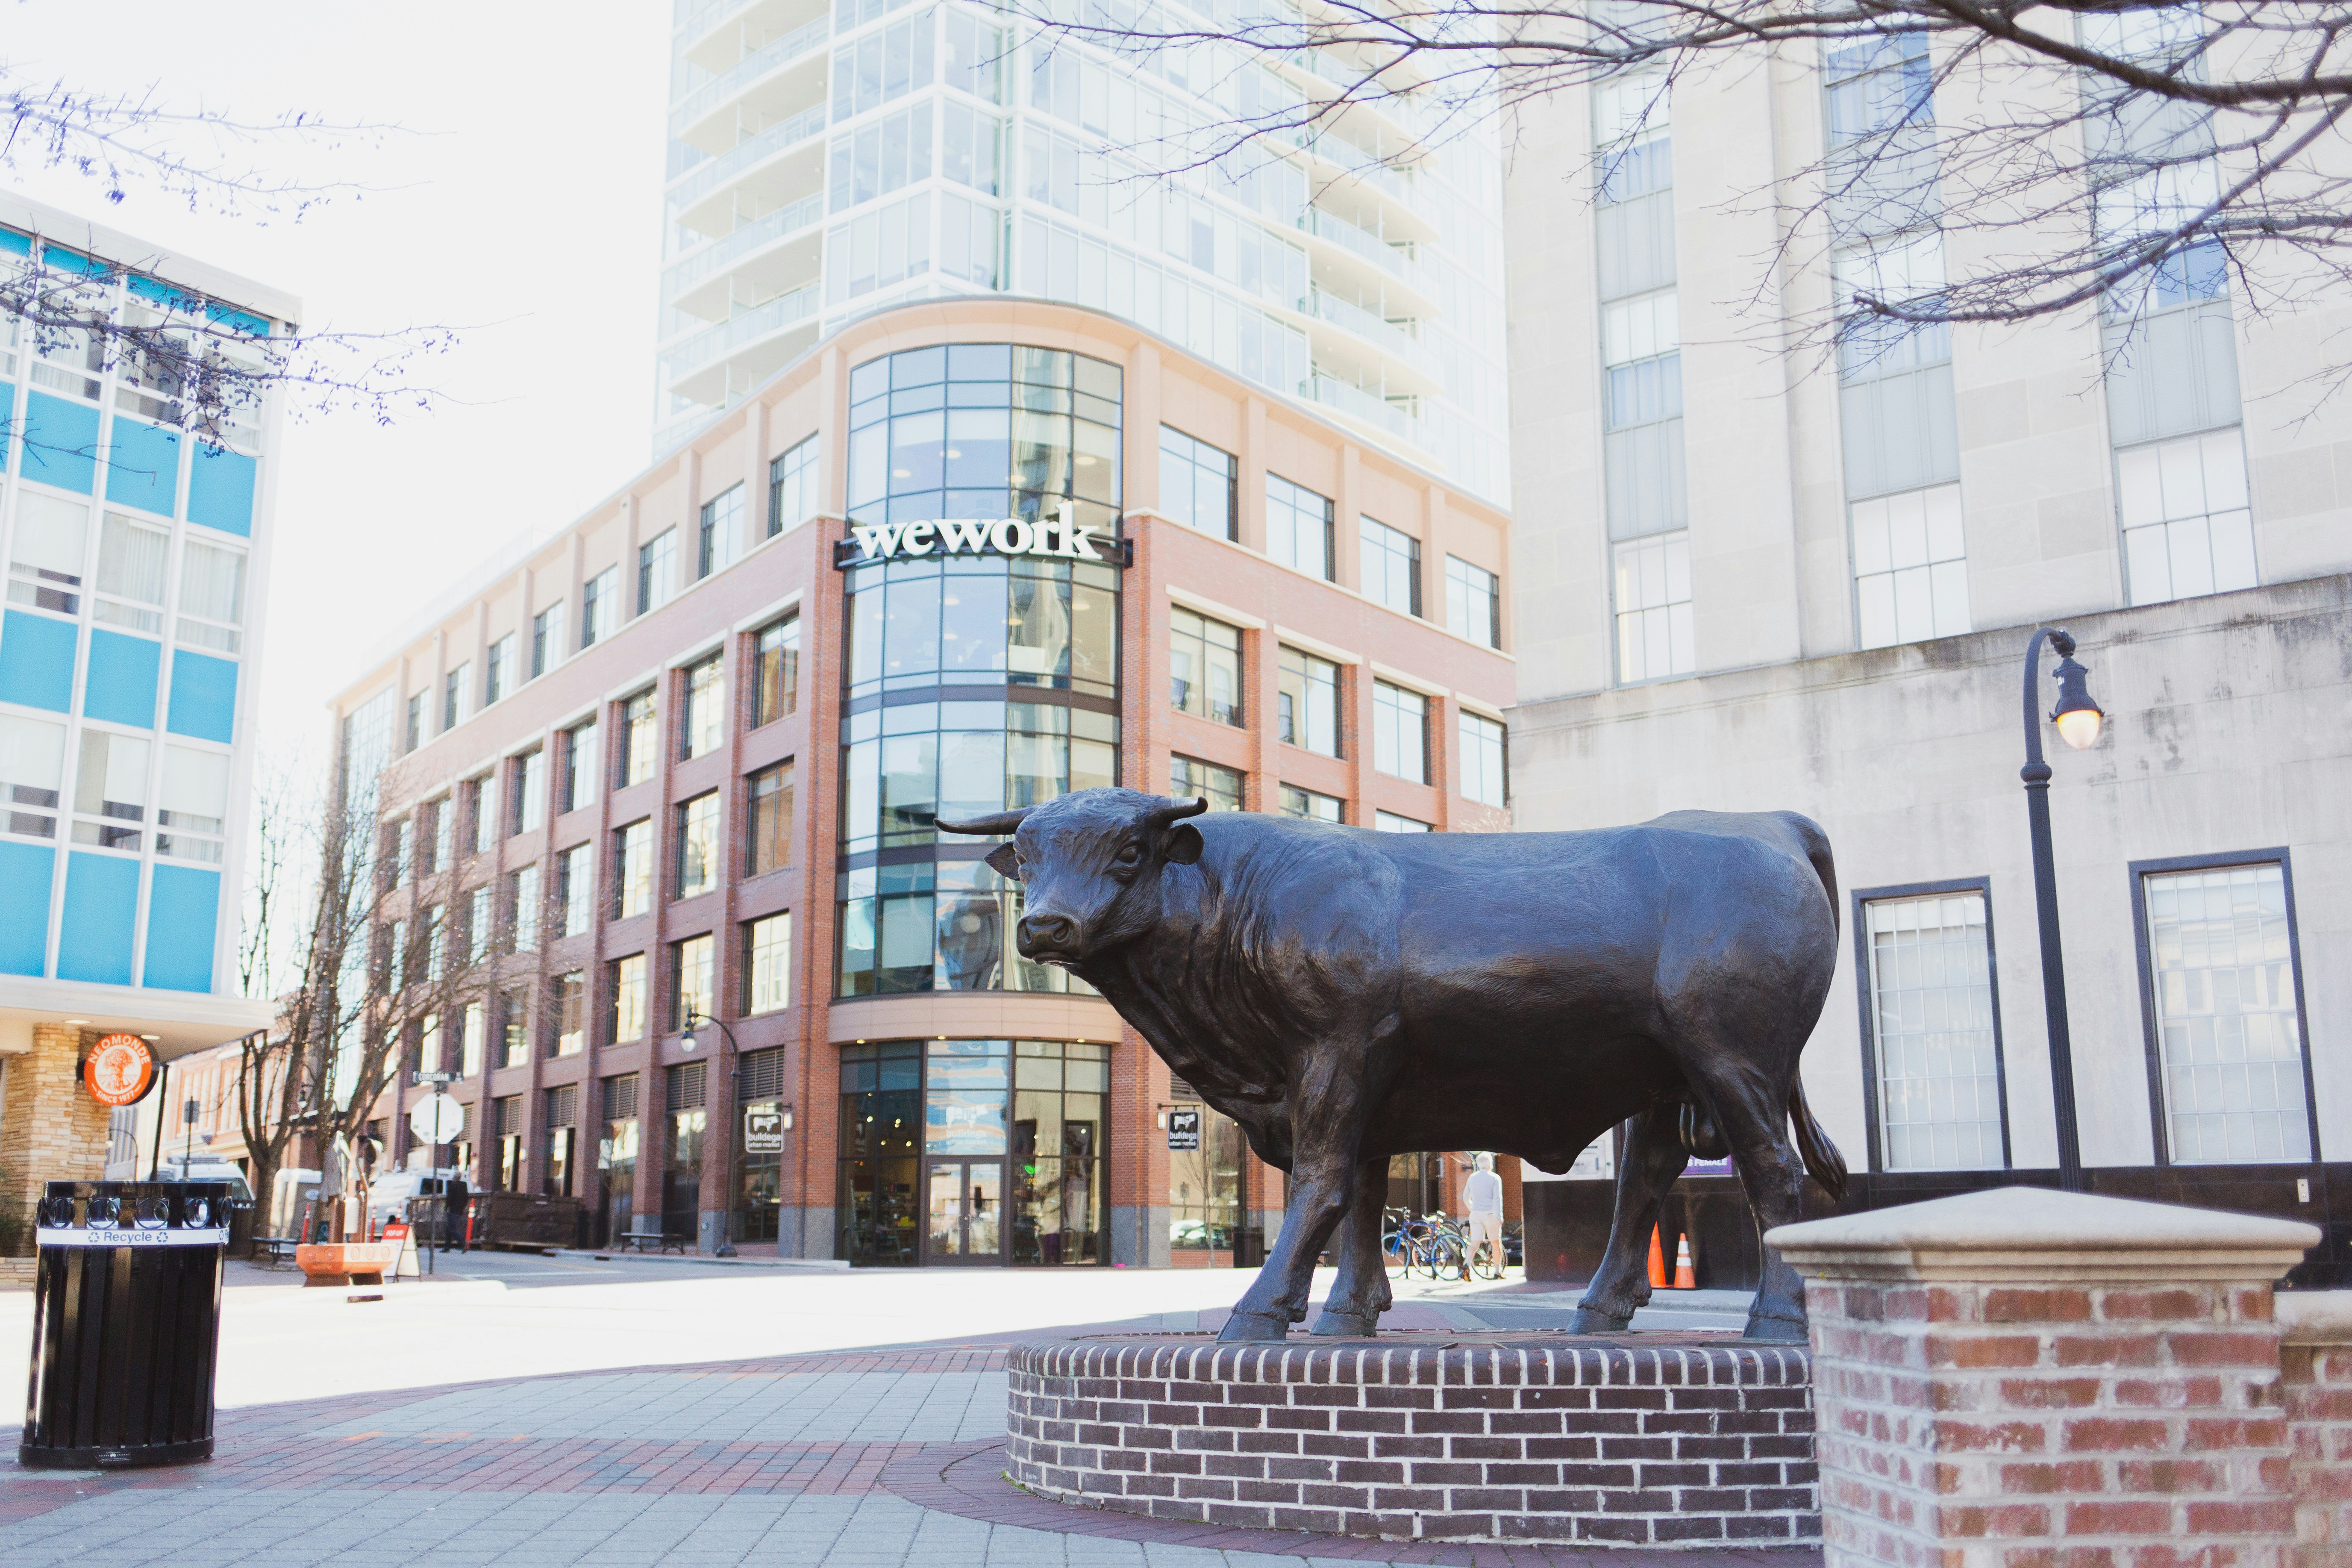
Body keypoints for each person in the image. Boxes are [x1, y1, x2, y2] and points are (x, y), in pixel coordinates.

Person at [1462, 1153, 1505, 1276]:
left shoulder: (1472, 1178)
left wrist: (1473, 1209)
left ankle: (1466, 1264)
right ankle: (1497, 1271)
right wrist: (1499, 1216)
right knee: (1496, 1243)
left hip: (1475, 1214)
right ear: (1489, 1164)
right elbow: (1497, 1198)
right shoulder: (1495, 1178)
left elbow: (1466, 1198)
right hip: (1490, 1214)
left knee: (1474, 1243)